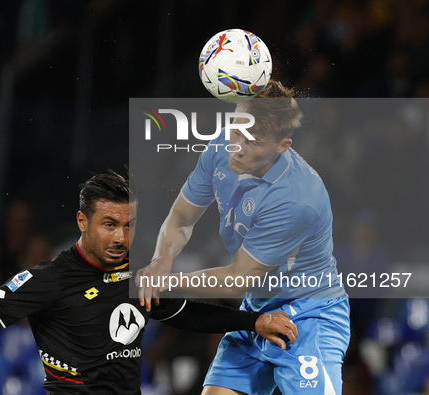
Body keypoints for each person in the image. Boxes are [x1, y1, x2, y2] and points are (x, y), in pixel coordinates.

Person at [0, 170, 297, 394]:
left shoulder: (139, 275)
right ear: (82, 222)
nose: (121, 237)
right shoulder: (49, 279)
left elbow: (185, 314)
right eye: (109, 225)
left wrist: (254, 322)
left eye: (129, 225)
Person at [137, 81, 350, 395]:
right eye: (236, 131)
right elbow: (181, 217)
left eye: (253, 142)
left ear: (283, 146)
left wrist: (171, 281)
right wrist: (159, 262)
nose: (237, 146)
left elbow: (236, 279)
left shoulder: (297, 199)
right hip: (257, 311)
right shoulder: (222, 146)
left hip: (309, 317)